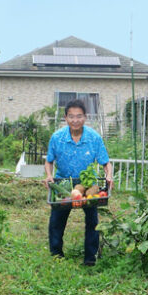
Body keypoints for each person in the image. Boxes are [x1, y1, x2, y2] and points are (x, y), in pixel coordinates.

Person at [44, 99, 113, 266]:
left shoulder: (94, 138)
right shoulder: (57, 137)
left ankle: (90, 258)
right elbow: (49, 161)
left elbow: (106, 162)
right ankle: (56, 254)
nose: (75, 120)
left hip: (88, 184)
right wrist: (49, 175)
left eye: (79, 116)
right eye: (71, 116)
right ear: (65, 118)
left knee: (92, 221)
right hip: (64, 183)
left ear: (85, 117)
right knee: (56, 221)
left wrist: (109, 175)